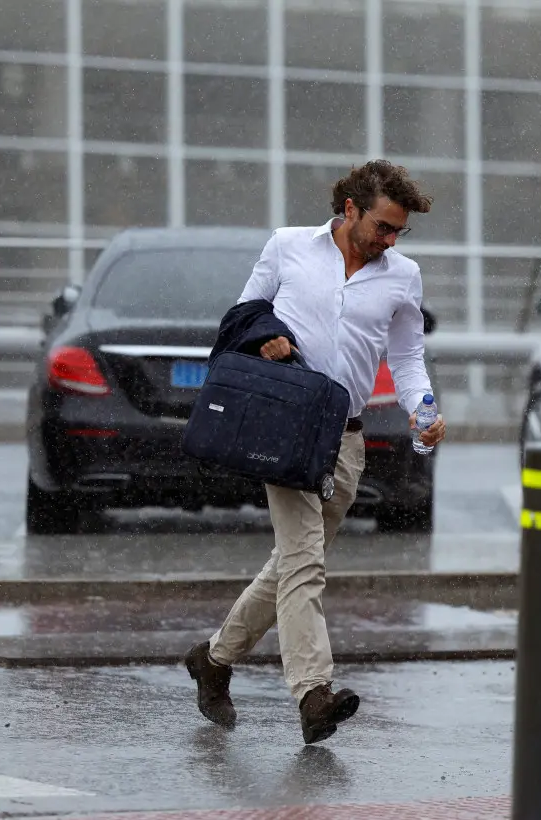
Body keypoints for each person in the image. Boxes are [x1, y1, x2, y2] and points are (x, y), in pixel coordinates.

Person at [184, 160, 447, 745]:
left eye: (399, 232)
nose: (389, 240)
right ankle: (313, 694)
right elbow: (239, 320)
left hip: (347, 439)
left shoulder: (403, 276)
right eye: (382, 226)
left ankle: (213, 659)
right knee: (305, 564)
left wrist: (422, 410)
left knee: (289, 566)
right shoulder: (288, 247)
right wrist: (264, 339)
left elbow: (405, 358)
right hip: (286, 427)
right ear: (350, 208)